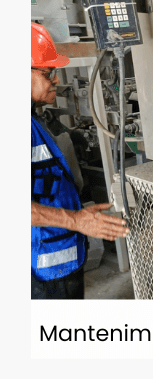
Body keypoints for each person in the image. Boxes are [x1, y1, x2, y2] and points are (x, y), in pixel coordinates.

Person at [31, 22, 129, 299]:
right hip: (42, 269)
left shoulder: (32, 120)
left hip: (58, 258)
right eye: (48, 72)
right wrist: (76, 220)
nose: (56, 80)